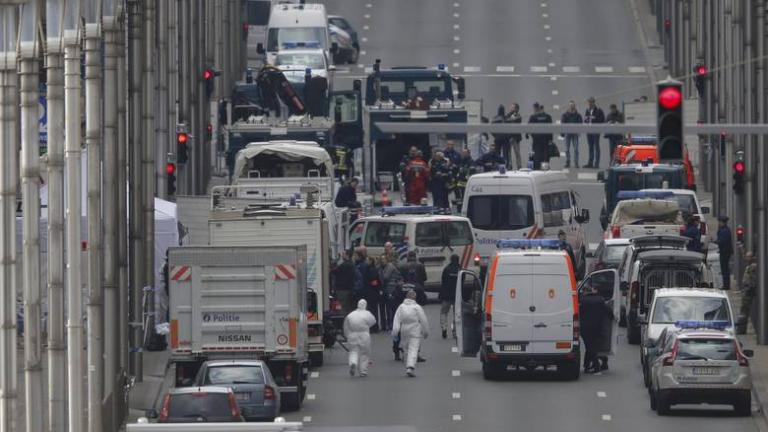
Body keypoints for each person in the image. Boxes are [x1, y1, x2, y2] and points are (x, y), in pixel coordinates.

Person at [392, 290, 430, 377]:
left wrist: (395, 333)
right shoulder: (417, 307)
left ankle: (407, 364)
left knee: (405, 349)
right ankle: (410, 366)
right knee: (413, 348)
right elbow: (423, 320)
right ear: (414, 297)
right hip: (415, 330)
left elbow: (396, 320)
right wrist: (426, 332)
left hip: (404, 330)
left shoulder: (401, 307)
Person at [580, 285, 613, 372]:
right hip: (598, 328)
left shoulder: (583, 301)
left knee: (590, 347)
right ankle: (587, 366)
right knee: (591, 347)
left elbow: (580, 313)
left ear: (585, 292)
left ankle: (596, 366)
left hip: (586, 329)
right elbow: (608, 311)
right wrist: (613, 318)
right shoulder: (600, 299)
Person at [343, 299, 377, 377]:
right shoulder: (367, 314)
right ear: (365, 305)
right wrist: (366, 325)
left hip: (352, 335)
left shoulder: (351, 315)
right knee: (364, 353)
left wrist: (347, 335)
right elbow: (373, 321)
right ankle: (363, 371)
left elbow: (346, 326)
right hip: (364, 334)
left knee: (353, 352)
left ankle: (353, 363)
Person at [380, 256, 403, 333]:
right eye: (381, 260)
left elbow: (385, 277)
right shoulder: (384, 267)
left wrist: (380, 274)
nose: (382, 261)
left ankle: (391, 325)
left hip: (392, 289)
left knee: (391, 308)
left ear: (387, 260)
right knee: (387, 307)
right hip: (387, 289)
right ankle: (387, 325)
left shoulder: (389, 266)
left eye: (383, 259)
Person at [527, 102, 554, 170]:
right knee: (545, 155)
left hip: (536, 140)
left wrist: (527, 134)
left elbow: (528, 127)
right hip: (545, 139)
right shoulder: (548, 117)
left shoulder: (533, 117)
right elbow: (550, 129)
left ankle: (537, 168)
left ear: (535, 108)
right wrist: (551, 139)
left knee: (536, 154)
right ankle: (545, 168)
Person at [440, 255, 461, 339]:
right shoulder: (460, 270)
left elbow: (443, 281)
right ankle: (455, 331)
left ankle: (444, 328)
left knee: (444, 312)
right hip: (457, 296)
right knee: (456, 314)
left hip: (446, 295)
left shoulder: (446, 269)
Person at [737, 251, 758, 334]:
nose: (746, 258)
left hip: (748, 291)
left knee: (744, 310)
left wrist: (749, 288)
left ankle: (742, 329)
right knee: (743, 310)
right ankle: (742, 328)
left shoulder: (753, 267)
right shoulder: (749, 266)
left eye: (748, 257)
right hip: (746, 290)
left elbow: (753, 280)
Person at [584, 97, 605, 168]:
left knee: (596, 147)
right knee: (590, 147)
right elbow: (585, 119)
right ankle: (590, 163)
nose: (589, 104)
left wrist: (594, 118)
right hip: (589, 130)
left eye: (591, 102)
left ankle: (596, 164)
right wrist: (586, 120)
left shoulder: (599, 110)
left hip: (596, 130)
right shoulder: (587, 110)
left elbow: (602, 120)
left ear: (593, 103)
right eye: (589, 102)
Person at [561, 101, 583, 168]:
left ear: (574, 106)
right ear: (569, 106)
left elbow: (580, 123)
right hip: (567, 133)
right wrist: (562, 133)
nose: (572, 107)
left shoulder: (578, 115)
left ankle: (576, 162)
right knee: (567, 149)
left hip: (575, 134)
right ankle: (568, 161)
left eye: (573, 105)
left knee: (576, 149)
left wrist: (579, 131)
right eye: (570, 106)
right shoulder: (565, 115)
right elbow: (563, 123)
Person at [715, 216, 733, 289]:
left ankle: (726, 285)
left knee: (724, 269)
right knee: (725, 268)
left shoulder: (724, 231)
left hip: (725, 252)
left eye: (720, 222)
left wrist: (714, 241)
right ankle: (726, 284)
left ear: (723, 222)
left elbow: (722, 241)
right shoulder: (725, 229)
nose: (719, 223)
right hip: (725, 251)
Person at [507, 103, 524, 170]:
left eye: (513, 107)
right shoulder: (508, 115)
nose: (511, 108)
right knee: (508, 153)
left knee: (517, 153)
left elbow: (517, 121)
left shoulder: (519, 116)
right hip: (509, 137)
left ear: (516, 109)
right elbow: (506, 121)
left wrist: (512, 119)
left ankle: (519, 166)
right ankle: (509, 165)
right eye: (511, 107)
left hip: (516, 138)